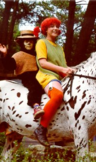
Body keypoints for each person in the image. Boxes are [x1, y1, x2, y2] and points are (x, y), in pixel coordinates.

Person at [33, 17, 75, 146]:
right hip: (47, 75)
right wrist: (62, 69)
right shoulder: (41, 42)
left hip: (60, 77)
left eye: (57, 26)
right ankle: (41, 128)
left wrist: (69, 71)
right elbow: (43, 63)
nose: (55, 28)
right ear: (45, 29)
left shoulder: (59, 47)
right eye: (52, 26)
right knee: (57, 96)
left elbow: (63, 66)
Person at [0, 30, 45, 135]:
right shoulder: (18, 55)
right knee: (34, 86)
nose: (28, 43)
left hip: (41, 76)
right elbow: (9, 66)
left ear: (34, 42)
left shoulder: (38, 55)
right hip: (28, 77)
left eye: (30, 41)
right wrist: (5, 55)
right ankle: (36, 106)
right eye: (26, 41)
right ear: (21, 43)